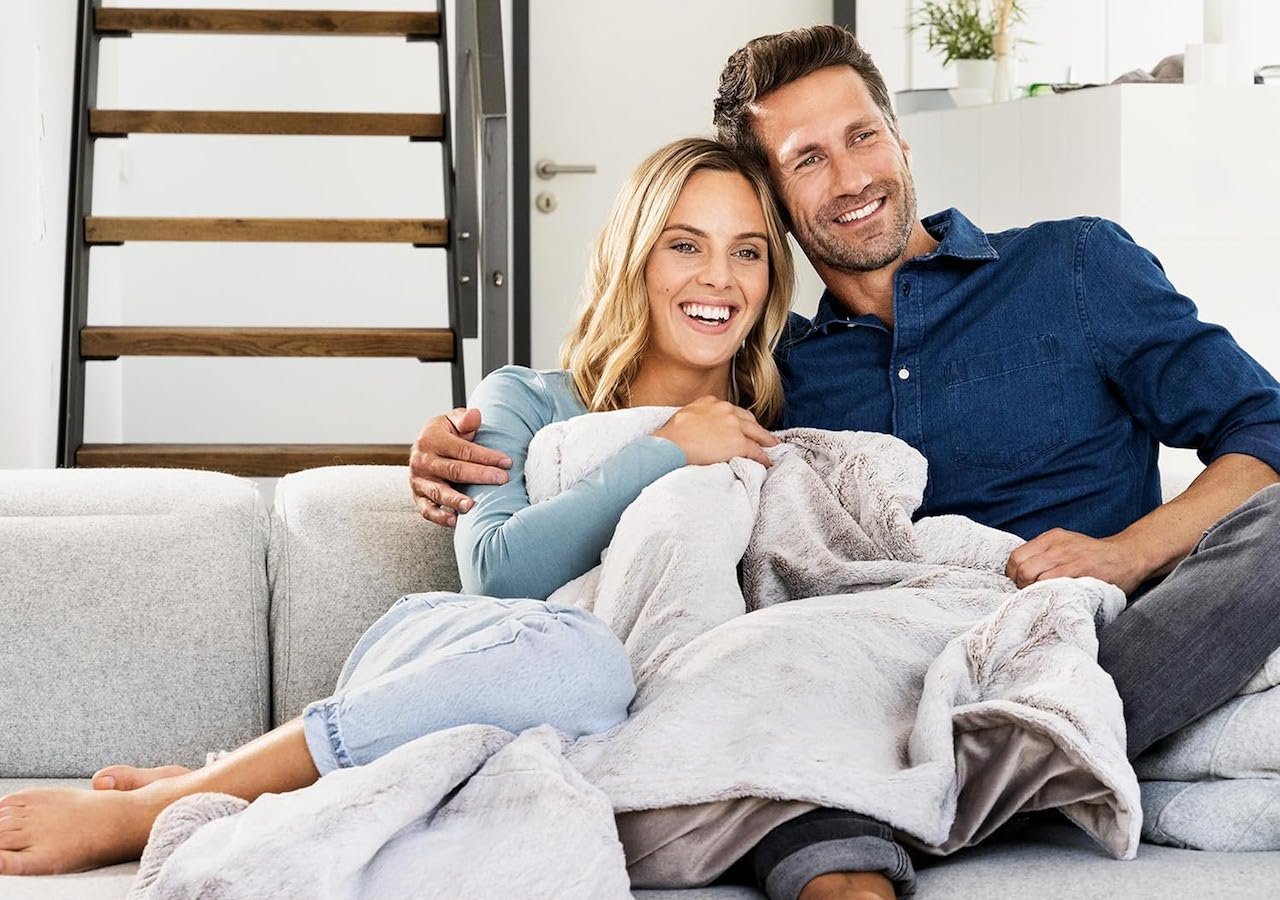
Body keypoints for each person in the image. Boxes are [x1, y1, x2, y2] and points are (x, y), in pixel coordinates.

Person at [408, 24, 1280, 900]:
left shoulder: (1076, 267)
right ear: (776, 202)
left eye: (862, 136)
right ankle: (950, 780)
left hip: (1098, 652)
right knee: (798, 743)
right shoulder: (777, 371)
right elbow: (627, 406)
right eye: (808, 159)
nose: (853, 176)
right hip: (876, 689)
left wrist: (1127, 553)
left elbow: (1266, 431)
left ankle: (993, 761)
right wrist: (464, 446)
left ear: (900, 139)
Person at [0, 138, 796, 878]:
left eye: (747, 252)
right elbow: (496, 575)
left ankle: (233, 780)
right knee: (588, 661)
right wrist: (663, 450)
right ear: (636, 257)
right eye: (685, 244)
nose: (719, 278)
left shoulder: (782, 421)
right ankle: (154, 810)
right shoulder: (522, 399)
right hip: (468, 658)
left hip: (612, 726)